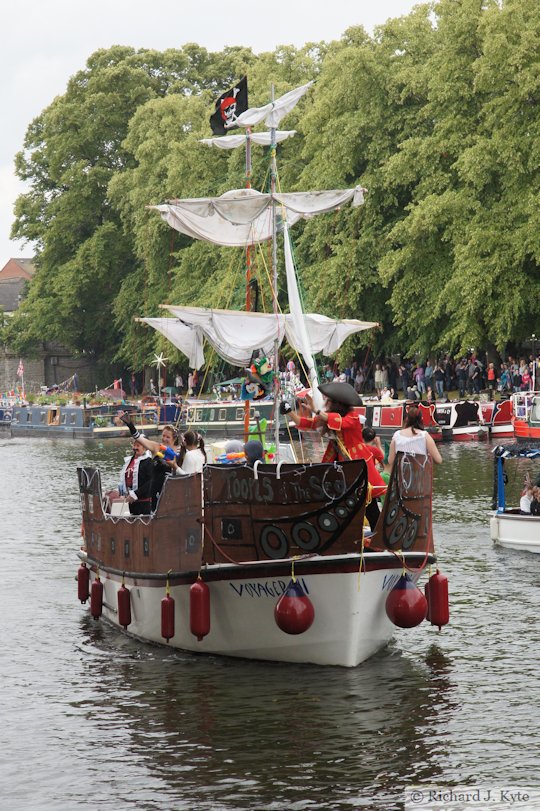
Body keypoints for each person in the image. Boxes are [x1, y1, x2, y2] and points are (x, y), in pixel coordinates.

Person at [284, 382, 387, 530]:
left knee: (369, 505)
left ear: (338, 403)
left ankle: (378, 537)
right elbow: (305, 423)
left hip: (359, 464)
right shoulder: (329, 416)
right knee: (345, 504)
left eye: (329, 401)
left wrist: (316, 410)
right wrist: (289, 412)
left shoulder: (353, 417)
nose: (327, 403)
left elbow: (341, 423)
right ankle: (349, 537)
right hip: (342, 466)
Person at [106, 439, 154, 516]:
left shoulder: (149, 462)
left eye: (138, 446)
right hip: (130, 502)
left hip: (144, 502)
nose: (135, 448)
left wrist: (135, 494)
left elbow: (151, 482)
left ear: (145, 448)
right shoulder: (130, 461)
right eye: (134, 445)